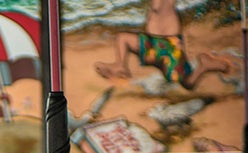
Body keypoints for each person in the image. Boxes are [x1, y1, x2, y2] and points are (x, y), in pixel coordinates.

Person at [94, 0, 231, 91]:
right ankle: (121, 65)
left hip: (168, 44)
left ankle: (204, 66)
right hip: (151, 42)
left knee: (187, 83)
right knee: (122, 38)